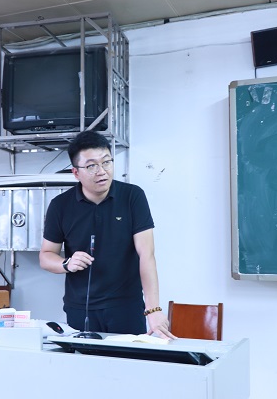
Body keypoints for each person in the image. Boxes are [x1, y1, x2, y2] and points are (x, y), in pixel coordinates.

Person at [39, 131, 175, 339]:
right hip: (80, 308)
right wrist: (66, 263)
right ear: (76, 173)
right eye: (91, 166)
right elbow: (46, 255)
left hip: (126, 306)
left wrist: (153, 309)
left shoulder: (132, 196)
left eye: (106, 162)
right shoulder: (60, 206)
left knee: (129, 359)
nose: (102, 171)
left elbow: (146, 255)